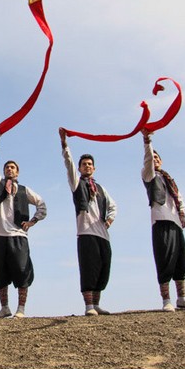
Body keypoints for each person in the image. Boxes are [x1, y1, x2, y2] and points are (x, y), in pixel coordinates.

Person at [0, 129, 46, 319]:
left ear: (17, 171)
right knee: (0, 273)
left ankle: (21, 308)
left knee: (22, 270)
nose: (9, 169)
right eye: (7, 167)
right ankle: (4, 308)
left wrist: (33, 221)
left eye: (12, 167)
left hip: (19, 236)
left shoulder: (24, 190)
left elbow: (41, 204)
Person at [59, 128, 117, 316]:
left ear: (94, 168)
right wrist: (65, 145)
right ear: (79, 168)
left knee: (103, 267)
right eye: (84, 164)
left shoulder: (100, 188)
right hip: (86, 232)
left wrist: (109, 220)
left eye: (90, 164)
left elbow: (113, 205)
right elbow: (69, 165)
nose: (87, 166)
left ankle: (97, 304)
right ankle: (89, 306)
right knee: (89, 268)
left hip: (103, 233)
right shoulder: (77, 183)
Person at [141, 129, 185, 312]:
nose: (155, 160)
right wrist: (147, 141)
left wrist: (182, 214)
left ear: (162, 161)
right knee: (164, 260)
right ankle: (167, 300)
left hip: (176, 223)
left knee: (182, 261)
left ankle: (182, 298)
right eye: (152, 158)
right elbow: (148, 161)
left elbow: (179, 198)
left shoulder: (169, 179)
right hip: (161, 221)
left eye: (157, 158)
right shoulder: (148, 175)